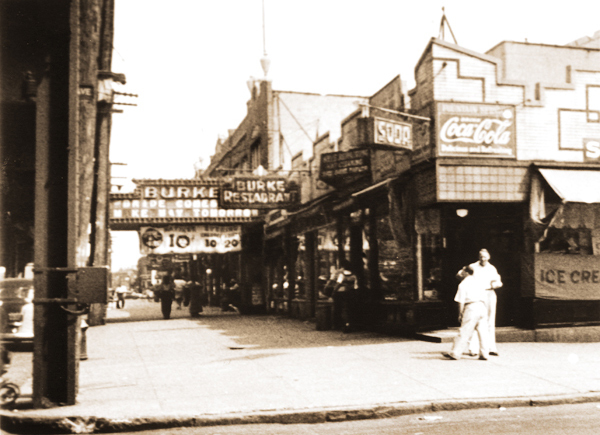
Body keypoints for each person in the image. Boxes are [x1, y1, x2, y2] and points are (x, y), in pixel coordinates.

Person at [456, 249, 503, 356]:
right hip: (477, 295)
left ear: (489, 257)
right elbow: (459, 274)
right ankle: (473, 349)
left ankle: (491, 347)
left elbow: (498, 281)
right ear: (478, 257)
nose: (483, 259)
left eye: (485, 257)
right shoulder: (472, 266)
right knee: (474, 321)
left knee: (490, 321)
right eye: (481, 256)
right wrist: (464, 278)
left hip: (489, 294)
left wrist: (495, 285)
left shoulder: (492, 268)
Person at [442, 266, 489, 360]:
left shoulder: (463, 284)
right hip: (482, 306)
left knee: (464, 331)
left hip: (471, 307)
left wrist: (460, 313)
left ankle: (455, 352)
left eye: (463, 271)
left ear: (467, 272)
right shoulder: (479, 282)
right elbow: (485, 297)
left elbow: (461, 301)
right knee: (483, 332)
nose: (461, 272)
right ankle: (484, 353)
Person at [332, 260, 358, 332]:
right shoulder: (354, 276)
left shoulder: (342, 275)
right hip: (350, 293)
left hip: (341, 293)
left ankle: (339, 324)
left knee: (339, 308)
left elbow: (338, 284)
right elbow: (355, 287)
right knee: (348, 308)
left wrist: (334, 292)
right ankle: (348, 324)